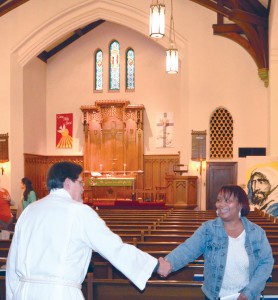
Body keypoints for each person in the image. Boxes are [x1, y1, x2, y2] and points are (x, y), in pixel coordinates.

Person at [6, 161, 158, 300]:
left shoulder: (30, 211)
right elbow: (114, 248)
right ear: (67, 183)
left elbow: (12, 263)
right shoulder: (79, 212)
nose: (83, 188)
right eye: (80, 182)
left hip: (24, 293)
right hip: (60, 294)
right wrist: (155, 265)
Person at [157, 185, 274, 300]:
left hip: (247, 297)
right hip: (214, 295)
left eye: (227, 200)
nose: (221, 204)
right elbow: (188, 249)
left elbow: (266, 262)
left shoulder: (257, 233)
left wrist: (248, 293)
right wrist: (169, 263)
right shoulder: (208, 229)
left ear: (241, 205)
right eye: (219, 200)